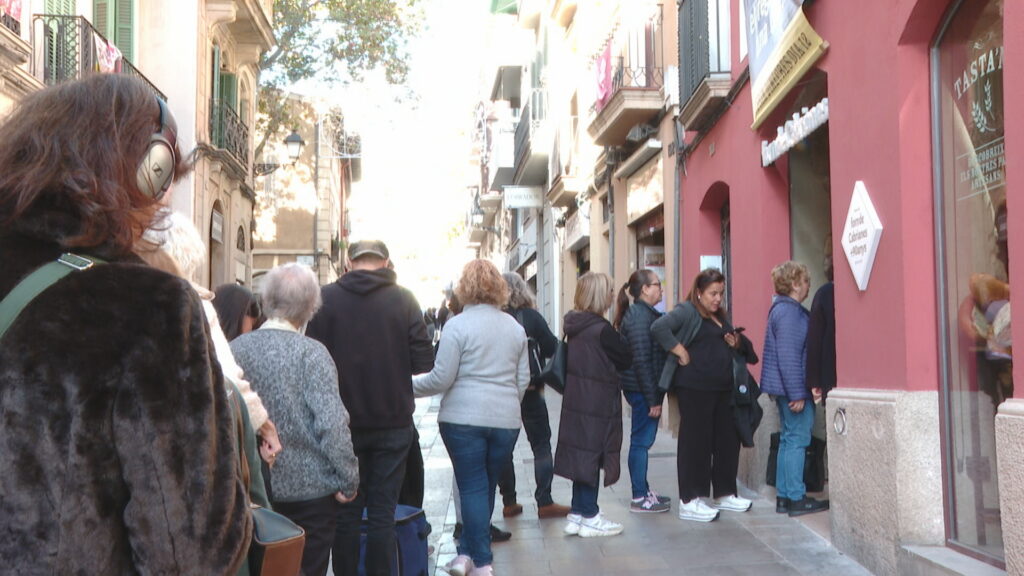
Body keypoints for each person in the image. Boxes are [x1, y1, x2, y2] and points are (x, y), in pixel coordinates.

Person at [0, 75, 250, 574]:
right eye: (164, 179)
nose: (163, 202)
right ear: (145, 170)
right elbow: (190, 551)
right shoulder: (152, 307)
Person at [305, 239, 435, 576]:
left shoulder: (326, 299)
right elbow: (424, 360)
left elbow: (311, 359)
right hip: (393, 422)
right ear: (387, 263)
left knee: (346, 514)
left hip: (341, 425)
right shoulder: (404, 299)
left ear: (348, 263)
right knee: (382, 513)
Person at [231, 263, 360, 576]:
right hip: (311, 492)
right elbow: (331, 424)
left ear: (266, 300)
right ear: (310, 307)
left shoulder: (235, 349)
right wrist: (348, 479)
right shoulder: (313, 354)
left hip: (255, 488)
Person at [413, 259, 529, 576]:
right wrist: (506, 405)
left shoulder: (457, 326)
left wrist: (405, 386)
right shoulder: (515, 328)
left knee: (472, 487)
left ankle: (481, 561)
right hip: (505, 421)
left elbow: (441, 378)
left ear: (464, 288)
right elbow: (522, 380)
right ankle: (465, 554)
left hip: (462, 420)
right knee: (484, 486)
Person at [651, 268, 758, 523]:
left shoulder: (720, 316)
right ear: (699, 293)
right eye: (712, 293)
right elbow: (658, 327)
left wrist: (736, 343)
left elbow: (741, 347)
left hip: (724, 390)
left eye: (721, 293)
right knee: (695, 443)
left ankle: (724, 492)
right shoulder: (687, 310)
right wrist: (679, 350)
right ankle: (690, 499)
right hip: (695, 388)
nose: (717, 298)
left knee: (726, 441)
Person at [555, 271, 633, 538]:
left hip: (577, 399)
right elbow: (626, 358)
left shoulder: (575, 325)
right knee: (592, 456)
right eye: (609, 290)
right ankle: (590, 515)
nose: (612, 295)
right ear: (600, 295)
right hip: (597, 402)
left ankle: (577, 513)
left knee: (582, 455)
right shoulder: (602, 330)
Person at [497, 272, 572, 520]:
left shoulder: (494, 318)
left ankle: (509, 502)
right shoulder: (531, 317)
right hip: (532, 388)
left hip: (503, 390)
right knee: (541, 445)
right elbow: (551, 348)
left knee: (503, 448)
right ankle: (545, 502)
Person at [760, 261, 829, 517]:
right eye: (806, 281)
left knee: (788, 440)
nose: (809, 286)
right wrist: (797, 393)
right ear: (795, 284)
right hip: (792, 390)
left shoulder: (782, 310)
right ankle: (796, 497)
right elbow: (788, 357)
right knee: (797, 440)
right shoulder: (789, 313)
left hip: (786, 389)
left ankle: (784, 497)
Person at [612, 269, 671, 514]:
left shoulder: (643, 314)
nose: (661, 288)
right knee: (640, 443)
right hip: (641, 390)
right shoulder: (639, 318)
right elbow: (642, 361)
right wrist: (653, 399)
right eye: (657, 284)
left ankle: (644, 491)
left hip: (641, 389)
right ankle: (639, 496)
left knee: (641, 442)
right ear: (645, 289)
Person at [806, 254, 836, 404]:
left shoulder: (823, 293)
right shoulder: (828, 293)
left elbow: (815, 338)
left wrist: (815, 380)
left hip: (830, 370)